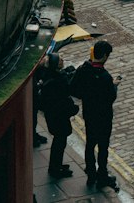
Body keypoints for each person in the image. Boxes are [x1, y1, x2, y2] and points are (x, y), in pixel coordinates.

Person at [70, 41, 120, 193]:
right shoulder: (105, 77)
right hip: (103, 117)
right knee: (103, 147)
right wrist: (114, 85)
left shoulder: (83, 70)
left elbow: (74, 89)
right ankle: (102, 175)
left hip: (89, 115)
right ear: (104, 55)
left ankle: (91, 173)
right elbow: (110, 98)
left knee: (90, 144)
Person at [37, 52, 77, 180]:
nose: (62, 60)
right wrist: (73, 109)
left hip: (53, 117)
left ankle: (56, 165)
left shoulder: (50, 77)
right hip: (58, 119)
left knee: (59, 143)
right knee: (59, 144)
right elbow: (63, 101)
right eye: (60, 59)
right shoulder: (58, 82)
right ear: (55, 65)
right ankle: (55, 169)